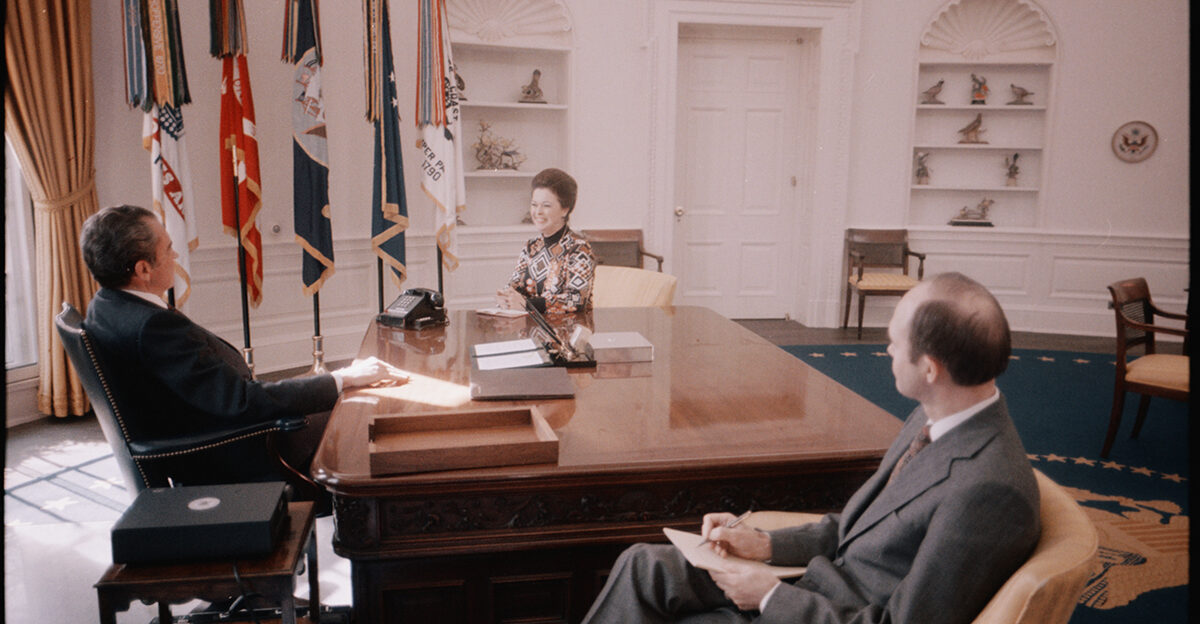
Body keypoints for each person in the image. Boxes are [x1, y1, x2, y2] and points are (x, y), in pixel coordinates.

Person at [582, 272, 1040, 624]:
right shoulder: (933, 416)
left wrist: (768, 596)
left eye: (894, 344)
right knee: (644, 565)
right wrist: (762, 545)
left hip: (823, 611)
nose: (886, 351)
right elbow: (862, 528)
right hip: (815, 587)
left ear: (931, 369)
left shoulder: (990, 490)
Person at [79, 204, 406, 487]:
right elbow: (238, 401)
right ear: (143, 269)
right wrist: (343, 379)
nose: (175, 255)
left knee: (350, 401)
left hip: (209, 430)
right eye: (167, 249)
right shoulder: (152, 326)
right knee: (360, 415)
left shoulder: (106, 305)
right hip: (235, 450)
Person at [496, 168, 595, 315]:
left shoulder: (579, 249)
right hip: (529, 332)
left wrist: (527, 304)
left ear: (565, 210)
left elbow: (576, 300)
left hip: (567, 333)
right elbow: (514, 286)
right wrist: (506, 297)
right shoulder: (531, 246)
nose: (538, 212)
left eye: (546, 205)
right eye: (534, 205)